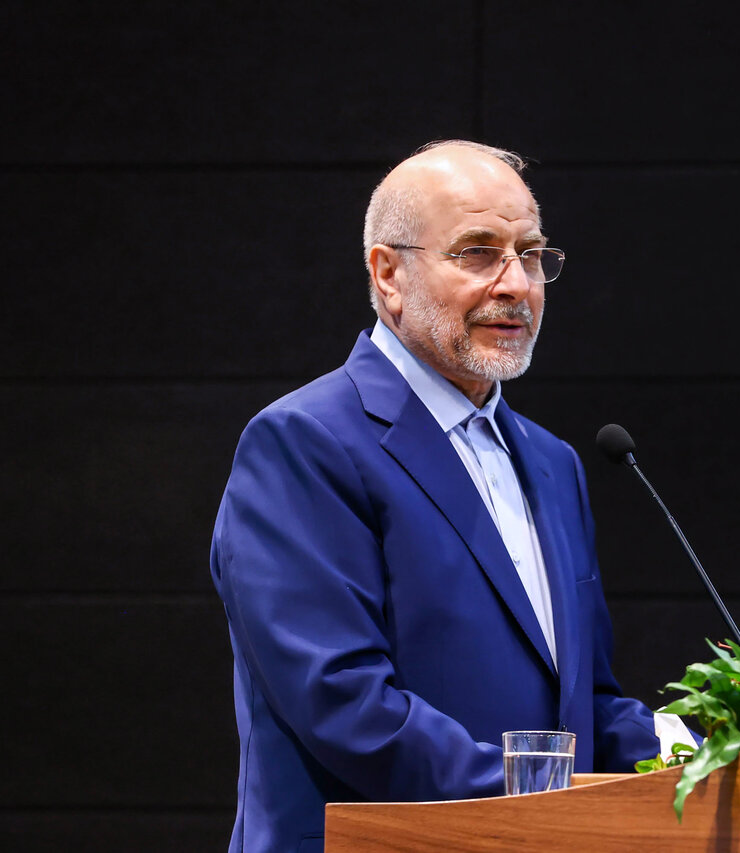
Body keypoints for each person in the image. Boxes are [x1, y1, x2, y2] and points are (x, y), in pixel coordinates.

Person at [210, 140, 661, 853]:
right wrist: (540, 808)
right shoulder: (304, 442)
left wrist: (718, 759)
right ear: (388, 274)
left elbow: (588, 705)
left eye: (531, 254)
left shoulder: (554, 462)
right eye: (477, 253)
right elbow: (344, 702)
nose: (516, 284)